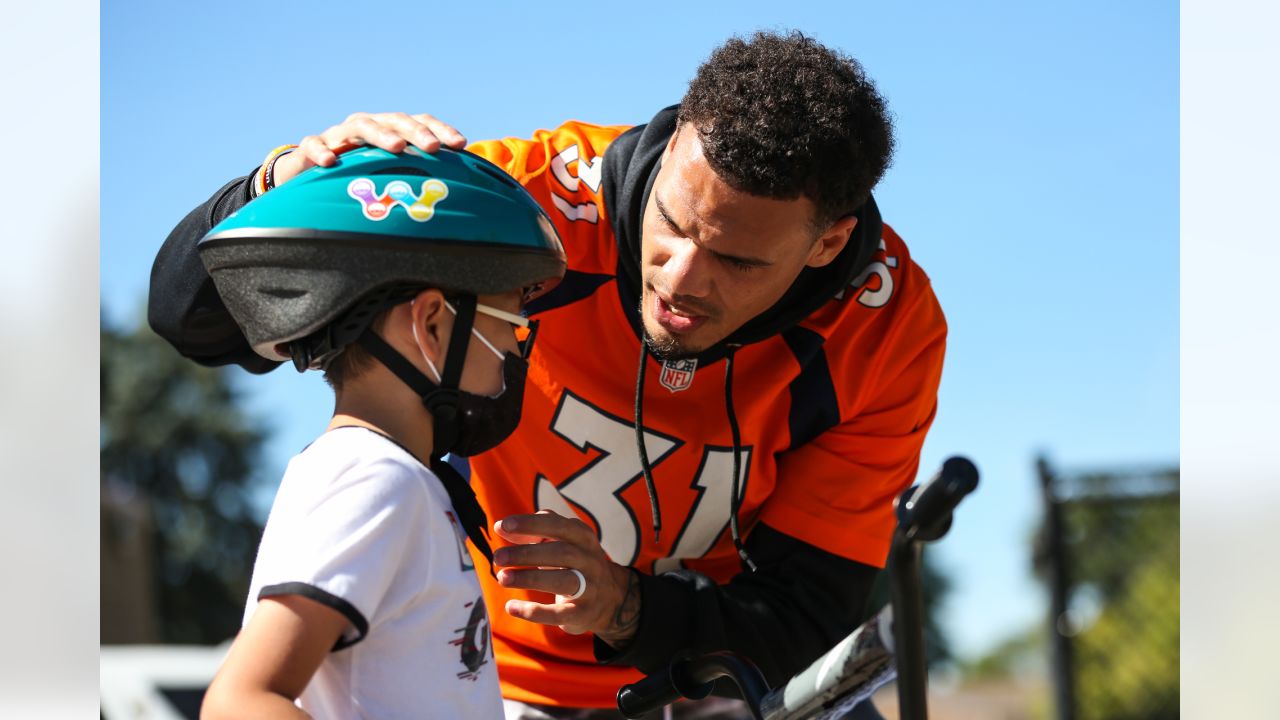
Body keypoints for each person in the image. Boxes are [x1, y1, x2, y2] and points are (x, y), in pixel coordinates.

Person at [153, 31, 946, 718]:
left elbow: (805, 616)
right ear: (671, 148)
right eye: (671, 223)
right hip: (490, 676)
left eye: (737, 260)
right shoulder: (523, 201)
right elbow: (195, 319)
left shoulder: (887, 330)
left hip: (705, 667)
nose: (681, 278)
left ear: (828, 244)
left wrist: (626, 606)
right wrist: (287, 177)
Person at [195, 146, 567, 719]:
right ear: (433, 324)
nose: (517, 351)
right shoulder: (374, 478)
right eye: (513, 321)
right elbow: (241, 701)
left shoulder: (398, 478)